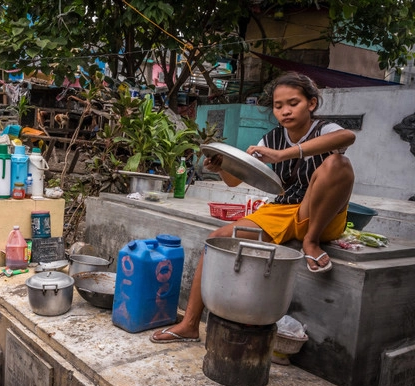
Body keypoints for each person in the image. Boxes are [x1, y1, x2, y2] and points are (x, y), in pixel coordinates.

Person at [151, 72, 356, 343]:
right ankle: (189, 324)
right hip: (282, 210)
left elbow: (348, 137)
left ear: (312, 104)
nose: (285, 111)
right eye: (278, 105)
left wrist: (284, 155)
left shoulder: (325, 130)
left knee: (338, 164)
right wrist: (222, 167)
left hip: (318, 215)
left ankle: (311, 241)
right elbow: (236, 180)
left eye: (293, 103)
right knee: (216, 240)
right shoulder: (271, 138)